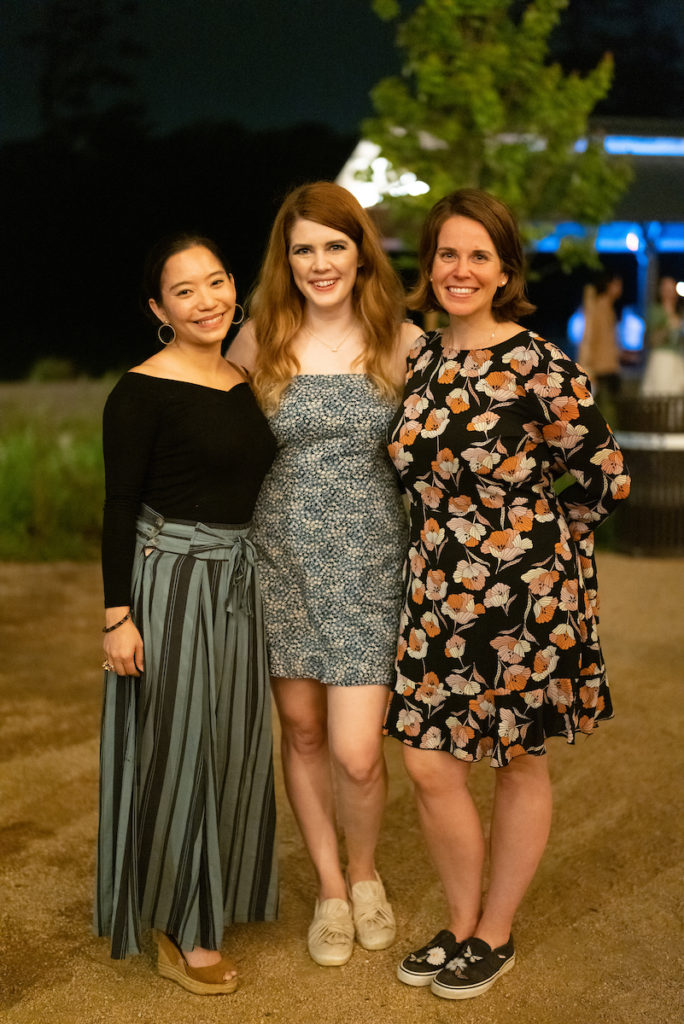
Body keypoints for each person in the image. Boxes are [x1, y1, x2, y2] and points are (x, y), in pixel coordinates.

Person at [383, 189, 630, 1001]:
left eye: (478, 256)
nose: (461, 269)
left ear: (505, 271)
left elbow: (603, 475)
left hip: (523, 588)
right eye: (448, 254)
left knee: (518, 759)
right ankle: (460, 921)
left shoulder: (538, 362)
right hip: (433, 587)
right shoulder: (422, 360)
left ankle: (495, 931)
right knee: (428, 764)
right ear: (430, 266)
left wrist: (541, 547)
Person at [228, 181, 422, 966]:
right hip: (280, 561)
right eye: (302, 248)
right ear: (286, 257)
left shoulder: (401, 339)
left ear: (359, 250)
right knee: (302, 732)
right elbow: (213, 444)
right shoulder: (256, 339)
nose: (319, 262)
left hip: (372, 562)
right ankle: (332, 890)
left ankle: (367, 872)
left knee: (357, 750)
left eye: (334, 245)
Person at [95, 234, 279, 994]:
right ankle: (180, 923)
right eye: (185, 291)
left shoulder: (242, 376)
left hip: (239, 584)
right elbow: (117, 507)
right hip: (170, 585)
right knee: (180, 751)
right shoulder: (140, 391)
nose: (207, 301)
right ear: (156, 309)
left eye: (217, 282)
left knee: (233, 741)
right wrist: (117, 618)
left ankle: (218, 894)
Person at [578, 270, 623, 399]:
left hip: (609, 366)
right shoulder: (598, 307)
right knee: (605, 410)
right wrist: (587, 367)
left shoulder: (608, 308)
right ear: (609, 285)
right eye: (618, 284)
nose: (620, 289)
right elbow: (589, 337)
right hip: (600, 369)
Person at [641, 275, 684, 396]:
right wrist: (669, 327)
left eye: (671, 288)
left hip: (678, 359)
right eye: (666, 288)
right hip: (661, 359)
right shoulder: (656, 311)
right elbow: (651, 340)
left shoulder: (680, 312)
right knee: (661, 394)